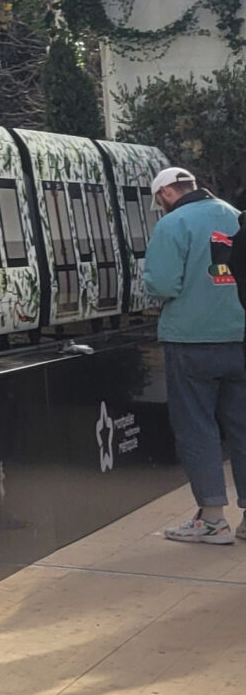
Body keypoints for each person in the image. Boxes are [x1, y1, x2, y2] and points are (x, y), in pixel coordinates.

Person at [141, 165, 246, 544]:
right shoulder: (235, 215)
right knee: (243, 426)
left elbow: (164, 283)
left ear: (167, 193)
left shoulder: (172, 225)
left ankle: (213, 520)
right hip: (240, 336)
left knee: (197, 427)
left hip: (191, 339)